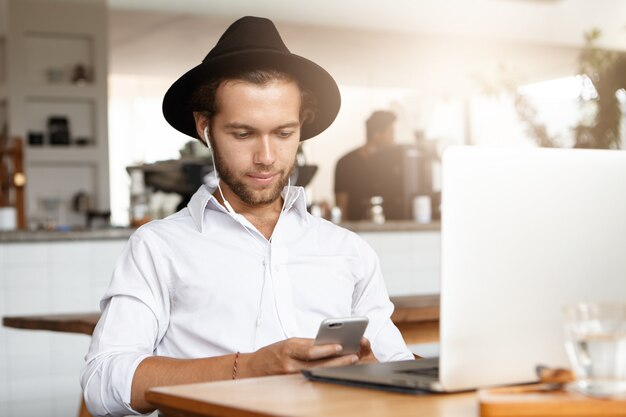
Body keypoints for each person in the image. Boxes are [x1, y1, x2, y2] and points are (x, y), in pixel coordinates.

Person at [80, 16, 413, 417]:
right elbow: (103, 384)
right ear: (205, 128)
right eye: (243, 134)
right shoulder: (158, 247)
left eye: (284, 133)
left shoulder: (347, 250)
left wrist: (371, 369)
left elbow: (401, 370)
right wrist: (251, 367)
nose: (267, 157)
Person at [334, 110, 397, 221]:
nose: (394, 138)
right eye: (391, 132)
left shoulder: (393, 163)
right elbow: (341, 204)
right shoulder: (346, 163)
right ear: (376, 134)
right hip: (357, 231)